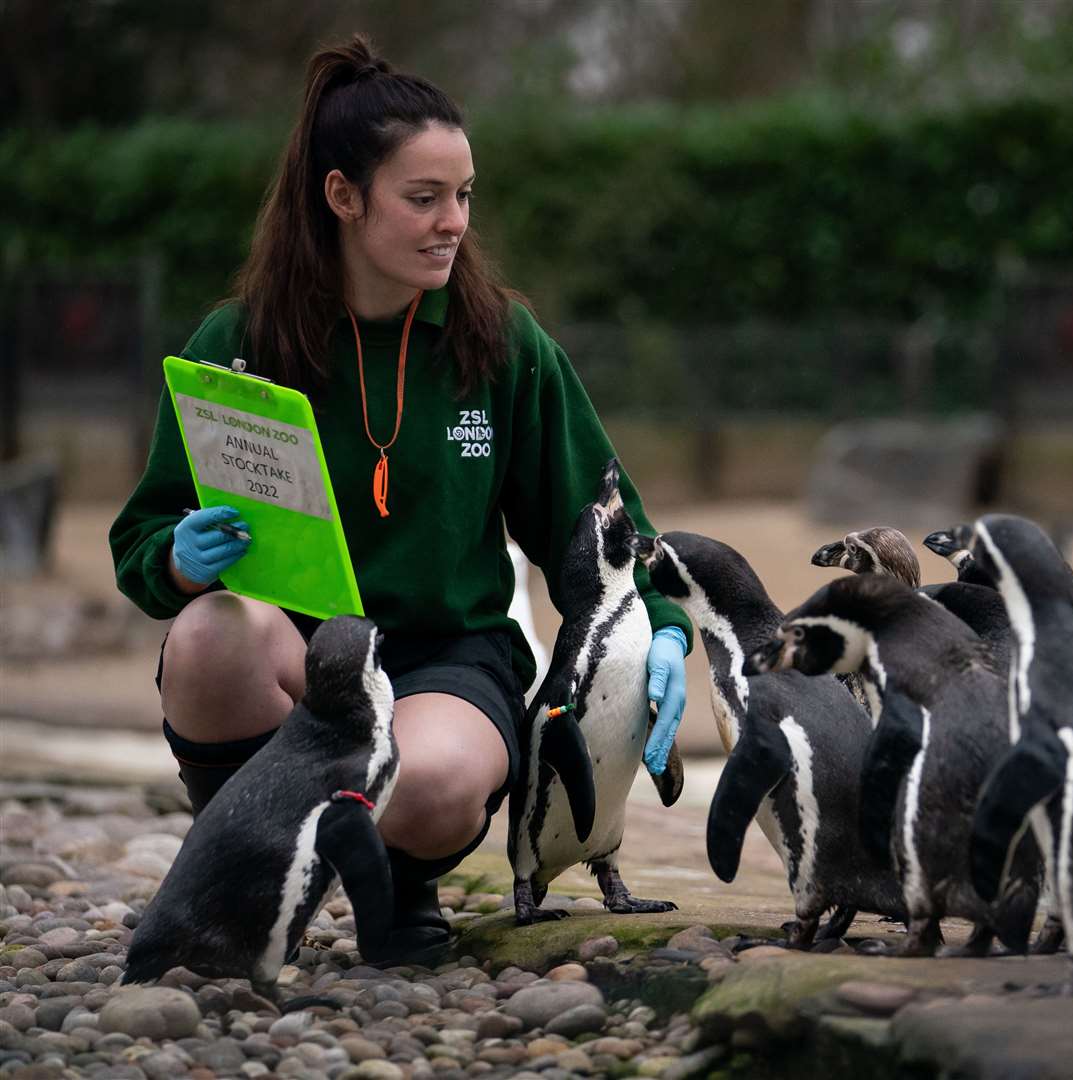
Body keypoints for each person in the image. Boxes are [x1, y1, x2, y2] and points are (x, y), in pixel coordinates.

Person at [108, 34, 692, 965]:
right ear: (343, 197)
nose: (452, 221)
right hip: (299, 656)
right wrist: (177, 558)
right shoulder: (239, 340)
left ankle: (404, 891)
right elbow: (141, 534)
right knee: (210, 633)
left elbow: (599, 515)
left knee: (437, 784)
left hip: (443, 660)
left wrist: (662, 622)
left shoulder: (501, 343)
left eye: (463, 196)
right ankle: (248, 875)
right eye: (423, 198)